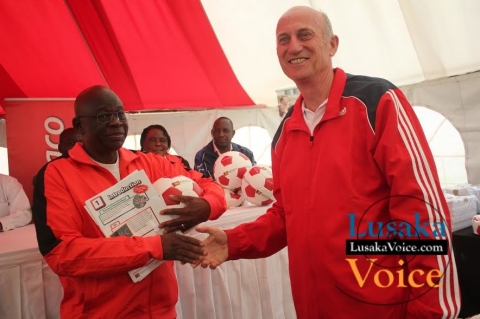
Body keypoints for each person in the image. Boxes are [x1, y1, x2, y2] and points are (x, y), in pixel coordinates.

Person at [196, 6, 460, 319]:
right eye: (283, 39)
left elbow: (422, 212)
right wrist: (234, 240)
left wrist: (431, 312)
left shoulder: (377, 102)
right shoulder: (285, 132)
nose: (293, 46)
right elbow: (284, 215)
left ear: (332, 44)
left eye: (304, 35)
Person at [32, 85, 226, 318]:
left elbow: (207, 183)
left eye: (120, 114)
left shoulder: (150, 163)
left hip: (161, 311)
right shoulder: (56, 175)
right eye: (104, 116)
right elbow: (62, 253)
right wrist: (153, 247)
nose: (115, 122)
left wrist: (207, 206)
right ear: (80, 127)